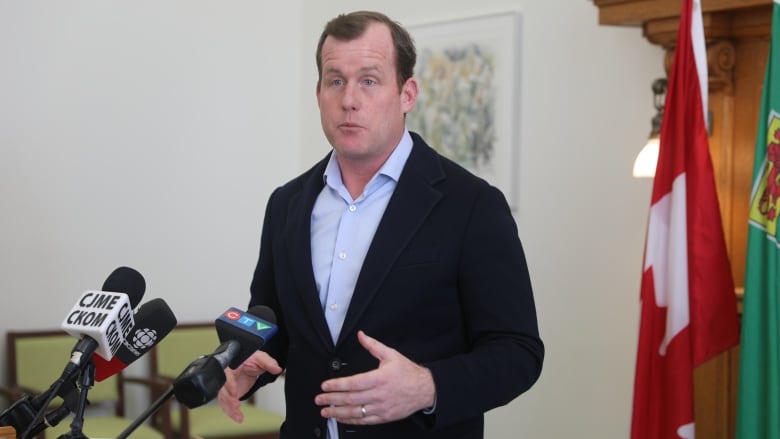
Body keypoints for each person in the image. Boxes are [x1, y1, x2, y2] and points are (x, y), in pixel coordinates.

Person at [217, 10, 544, 439]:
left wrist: (428, 387)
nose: (349, 99)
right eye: (336, 80)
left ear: (407, 93)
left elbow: (519, 352)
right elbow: (271, 320)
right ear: (318, 92)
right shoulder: (286, 204)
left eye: (369, 80)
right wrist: (245, 364)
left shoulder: (473, 204)